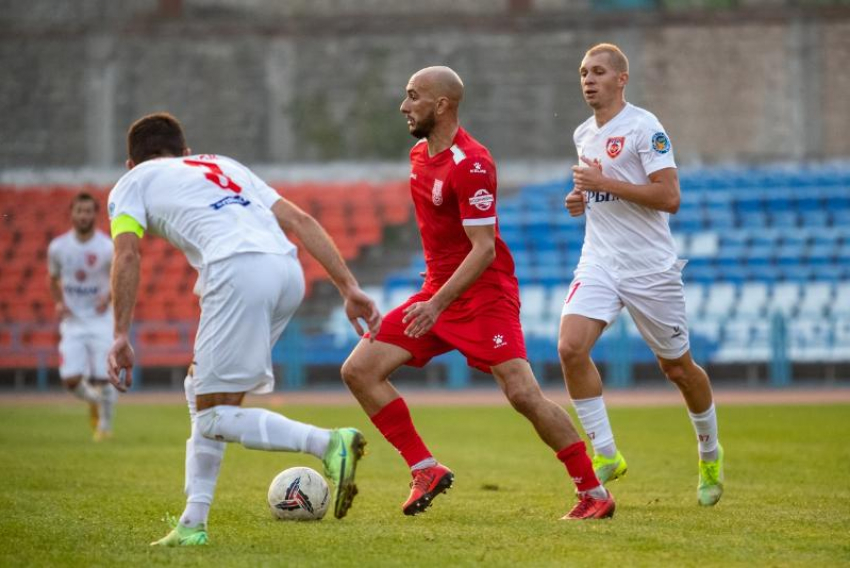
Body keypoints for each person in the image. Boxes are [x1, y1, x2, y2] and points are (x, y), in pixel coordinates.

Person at [341, 66, 615, 521]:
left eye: (413, 96)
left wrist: (436, 304)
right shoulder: (418, 155)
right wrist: (433, 300)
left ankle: (593, 492)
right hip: (436, 294)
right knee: (359, 370)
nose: (404, 106)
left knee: (523, 394)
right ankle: (424, 468)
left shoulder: (472, 164)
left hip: (482, 295)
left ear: (442, 105)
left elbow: (484, 250)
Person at [106, 113, 382, 546]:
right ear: (186, 153)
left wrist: (120, 333)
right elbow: (301, 221)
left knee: (213, 413)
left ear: (130, 163)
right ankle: (192, 524)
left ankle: (329, 443)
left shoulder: (132, 182)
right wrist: (349, 287)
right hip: (286, 271)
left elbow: (126, 256)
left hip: (236, 271)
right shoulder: (224, 164)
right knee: (204, 394)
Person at [559, 43, 724, 506]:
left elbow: (669, 197)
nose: (588, 80)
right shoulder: (582, 133)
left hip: (649, 267)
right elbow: (592, 194)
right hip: (600, 260)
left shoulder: (644, 127)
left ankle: (709, 453)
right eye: (583, 72)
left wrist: (601, 185)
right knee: (570, 348)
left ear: (621, 79)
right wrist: (580, 200)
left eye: (598, 72)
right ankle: (607, 453)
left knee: (677, 368)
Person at [47, 192, 118, 442]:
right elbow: (53, 277)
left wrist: (107, 297)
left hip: (101, 321)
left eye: (88, 211)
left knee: (104, 376)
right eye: (80, 211)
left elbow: (118, 278)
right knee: (70, 380)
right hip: (73, 322)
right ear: (72, 214)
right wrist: (58, 302)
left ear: (95, 215)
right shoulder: (58, 247)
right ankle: (96, 401)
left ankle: (105, 427)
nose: (84, 215)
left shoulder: (107, 247)